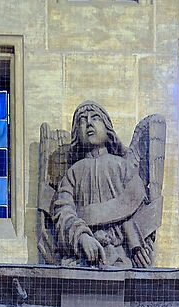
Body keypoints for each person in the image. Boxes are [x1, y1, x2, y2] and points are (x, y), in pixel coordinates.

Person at [49, 102, 160, 269]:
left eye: (95, 118)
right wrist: (82, 237)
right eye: (82, 121)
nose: (88, 124)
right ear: (77, 133)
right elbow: (63, 212)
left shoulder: (122, 167)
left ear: (108, 129)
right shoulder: (73, 173)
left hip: (121, 256)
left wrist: (137, 245)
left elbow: (139, 208)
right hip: (82, 257)